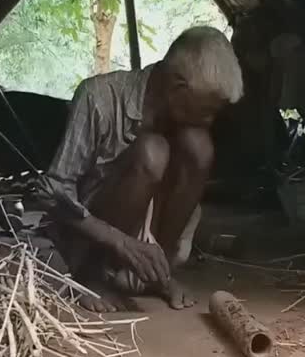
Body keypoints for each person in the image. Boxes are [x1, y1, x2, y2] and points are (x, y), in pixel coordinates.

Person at [41, 26, 244, 313]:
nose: (210, 120)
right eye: (206, 109)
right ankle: (91, 274)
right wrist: (119, 242)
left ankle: (155, 273)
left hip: (148, 235)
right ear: (177, 87)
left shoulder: (189, 124)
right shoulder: (99, 97)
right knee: (153, 151)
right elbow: (53, 193)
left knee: (200, 146)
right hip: (93, 236)